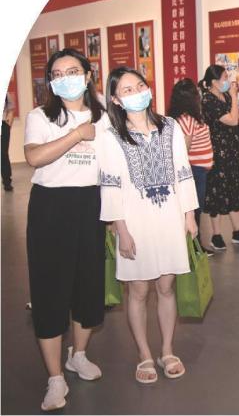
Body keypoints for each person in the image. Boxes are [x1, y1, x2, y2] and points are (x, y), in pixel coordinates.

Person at [98, 67, 198, 384]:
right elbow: (110, 186)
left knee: (166, 287)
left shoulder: (170, 127)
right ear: (115, 99)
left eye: (140, 85)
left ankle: (167, 350)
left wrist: (189, 214)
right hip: (134, 222)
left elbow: (183, 171)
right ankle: (144, 353)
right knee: (139, 291)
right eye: (127, 90)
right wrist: (121, 230)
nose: (137, 93)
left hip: (170, 217)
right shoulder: (111, 137)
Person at [23, 48, 106, 411]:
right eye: (57, 74)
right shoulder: (40, 116)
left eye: (73, 71)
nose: (65, 78)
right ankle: (55, 378)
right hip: (51, 208)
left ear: (87, 76)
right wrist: (76, 135)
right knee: (50, 291)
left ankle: (79, 354)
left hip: (91, 205)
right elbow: (34, 157)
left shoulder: (105, 117)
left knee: (88, 286)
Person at [199, 65, 239, 251]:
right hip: (218, 152)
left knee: (234, 188)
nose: (228, 80)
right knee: (218, 191)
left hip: (234, 150)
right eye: (224, 77)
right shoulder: (208, 100)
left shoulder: (227, 96)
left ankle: (237, 232)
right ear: (214, 82)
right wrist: (235, 97)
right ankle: (216, 235)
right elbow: (231, 120)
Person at [168, 78, 214, 256]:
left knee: (196, 209)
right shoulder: (186, 119)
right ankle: (194, 247)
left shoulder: (188, 118)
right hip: (194, 171)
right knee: (194, 210)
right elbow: (184, 149)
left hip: (199, 170)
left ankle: (194, 246)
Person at [2, 93, 15, 191]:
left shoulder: (6, 94)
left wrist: (8, 125)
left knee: (3, 154)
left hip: (3, 126)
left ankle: (7, 181)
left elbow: (11, 109)